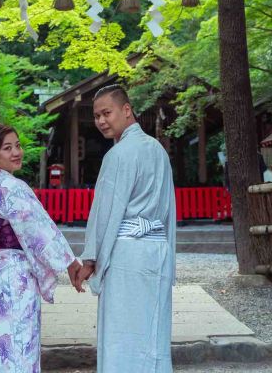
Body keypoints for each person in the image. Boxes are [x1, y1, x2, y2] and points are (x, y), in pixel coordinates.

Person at [0, 124, 82, 372]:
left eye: (18, 145)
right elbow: (40, 231)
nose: (17, 152)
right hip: (12, 277)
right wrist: (70, 263)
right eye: (7, 148)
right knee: (15, 339)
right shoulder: (13, 188)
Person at [75, 85, 176, 372]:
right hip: (157, 249)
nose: (101, 121)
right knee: (153, 330)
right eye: (96, 116)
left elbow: (105, 212)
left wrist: (91, 258)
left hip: (128, 254)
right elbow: (169, 208)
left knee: (122, 334)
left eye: (107, 113)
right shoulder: (158, 150)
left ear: (127, 110)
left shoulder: (118, 155)